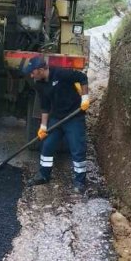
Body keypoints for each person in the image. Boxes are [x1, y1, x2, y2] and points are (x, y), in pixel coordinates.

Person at [23, 56, 91, 193]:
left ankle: (80, 182)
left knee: (77, 148)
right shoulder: (39, 84)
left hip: (74, 116)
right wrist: (43, 126)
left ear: (41, 70)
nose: (31, 75)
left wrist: (85, 98)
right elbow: (45, 106)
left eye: (33, 72)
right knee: (47, 145)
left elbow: (82, 77)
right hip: (57, 118)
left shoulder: (60, 74)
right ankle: (43, 175)